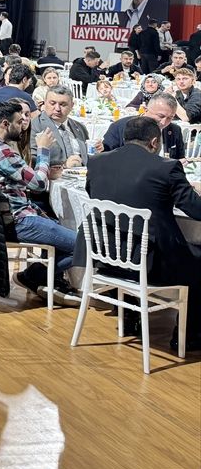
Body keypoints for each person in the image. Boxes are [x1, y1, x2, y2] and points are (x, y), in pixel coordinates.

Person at [85, 116, 201, 352]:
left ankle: (129, 319)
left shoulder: (96, 162)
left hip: (105, 256)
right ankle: (189, 336)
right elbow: (196, 211)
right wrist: (189, 190)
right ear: (155, 142)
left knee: (130, 236)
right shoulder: (166, 167)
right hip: (150, 263)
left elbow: (91, 192)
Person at [0, 99, 77, 294]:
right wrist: (43, 150)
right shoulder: (2, 152)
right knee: (83, 245)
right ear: (5, 124)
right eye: (19, 122)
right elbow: (39, 184)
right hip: (16, 221)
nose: (22, 125)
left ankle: (46, 280)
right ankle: (32, 277)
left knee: (57, 226)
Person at [101, 92, 186, 159]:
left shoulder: (175, 130)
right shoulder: (121, 126)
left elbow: (180, 158)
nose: (164, 122)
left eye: (170, 118)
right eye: (160, 116)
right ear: (145, 110)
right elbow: (107, 155)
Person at [28, 85, 90, 167]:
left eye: (63, 104)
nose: (57, 108)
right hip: (53, 177)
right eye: (52, 103)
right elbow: (31, 160)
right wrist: (63, 166)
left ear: (72, 106)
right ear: (45, 103)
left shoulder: (80, 127)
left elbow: (87, 156)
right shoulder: (34, 126)